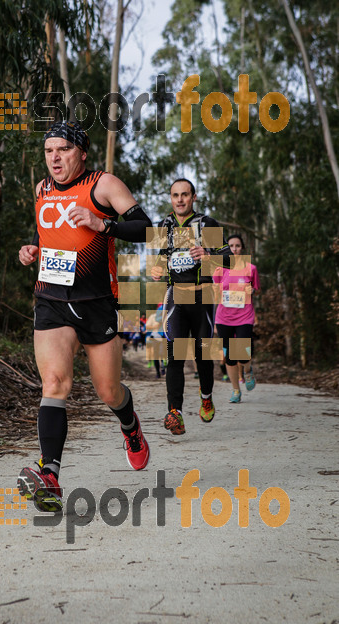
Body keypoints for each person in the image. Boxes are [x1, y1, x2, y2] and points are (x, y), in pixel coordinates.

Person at [17, 120, 151, 512]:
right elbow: (49, 236)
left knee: (108, 391)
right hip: (52, 298)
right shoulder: (41, 190)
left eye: (63, 150)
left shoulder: (103, 185)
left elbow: (146, 229)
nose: (55, 158)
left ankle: (130, 425)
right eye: (48, 151)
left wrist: (102, 223)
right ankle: (51, 476)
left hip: (96, 302)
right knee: (55, 382)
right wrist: (33, 251)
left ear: (82, 153)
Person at [152, 178, 231, 435]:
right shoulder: (164, 226)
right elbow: (160, 260)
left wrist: (208, 256)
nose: (180, 200)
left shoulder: (207, 224)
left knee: (202, 356)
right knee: (174, 357)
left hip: (203, 298)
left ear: (193, 197)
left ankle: (206, 396)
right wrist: (156, 269)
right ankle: (175, 412)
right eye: (175, 195)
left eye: (185, 194)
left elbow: (230, 258)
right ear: (171, 198)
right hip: (177, 297)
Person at [213, 234, 261, 402]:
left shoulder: (251, 268)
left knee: (243, 352)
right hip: (224, 317)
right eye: (231, 246)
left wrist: (251, 291)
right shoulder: (219, 270)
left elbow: (256, 289)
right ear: (227, 248)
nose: (234, 249)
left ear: (242, 248)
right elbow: (215, 294)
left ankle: (247, 371)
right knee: (230, 356)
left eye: (237, 246)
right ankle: (235, 390)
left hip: (244, 316)